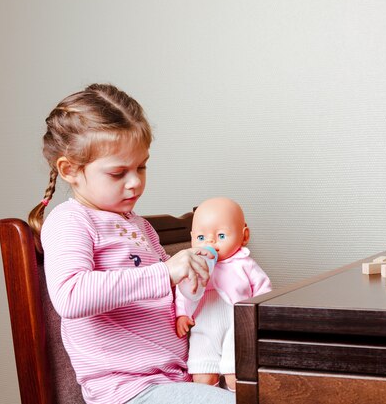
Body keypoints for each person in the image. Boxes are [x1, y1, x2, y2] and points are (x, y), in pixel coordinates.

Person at [27, 84, 235, 404]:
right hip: (125, 390)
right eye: (118, 172)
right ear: (70, 170)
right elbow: (70, 296)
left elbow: (165, 290)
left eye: (141, 166)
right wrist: (165, 272)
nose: (135, 181)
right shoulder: (70, 220)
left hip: (173, 378)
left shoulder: (137, 225)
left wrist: (191, 276)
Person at [175, 197, 272, 391]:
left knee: (236, 377)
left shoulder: (244, 264)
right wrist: (182, 314)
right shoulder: (192, 263)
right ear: (192, 237)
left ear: (244, 236)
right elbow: (181, 291)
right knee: (202, 378)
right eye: (201, 238)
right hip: (203, 328)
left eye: (220, 236)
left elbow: (264, 291)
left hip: (237, 327)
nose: (210, 242)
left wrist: (262, 318)